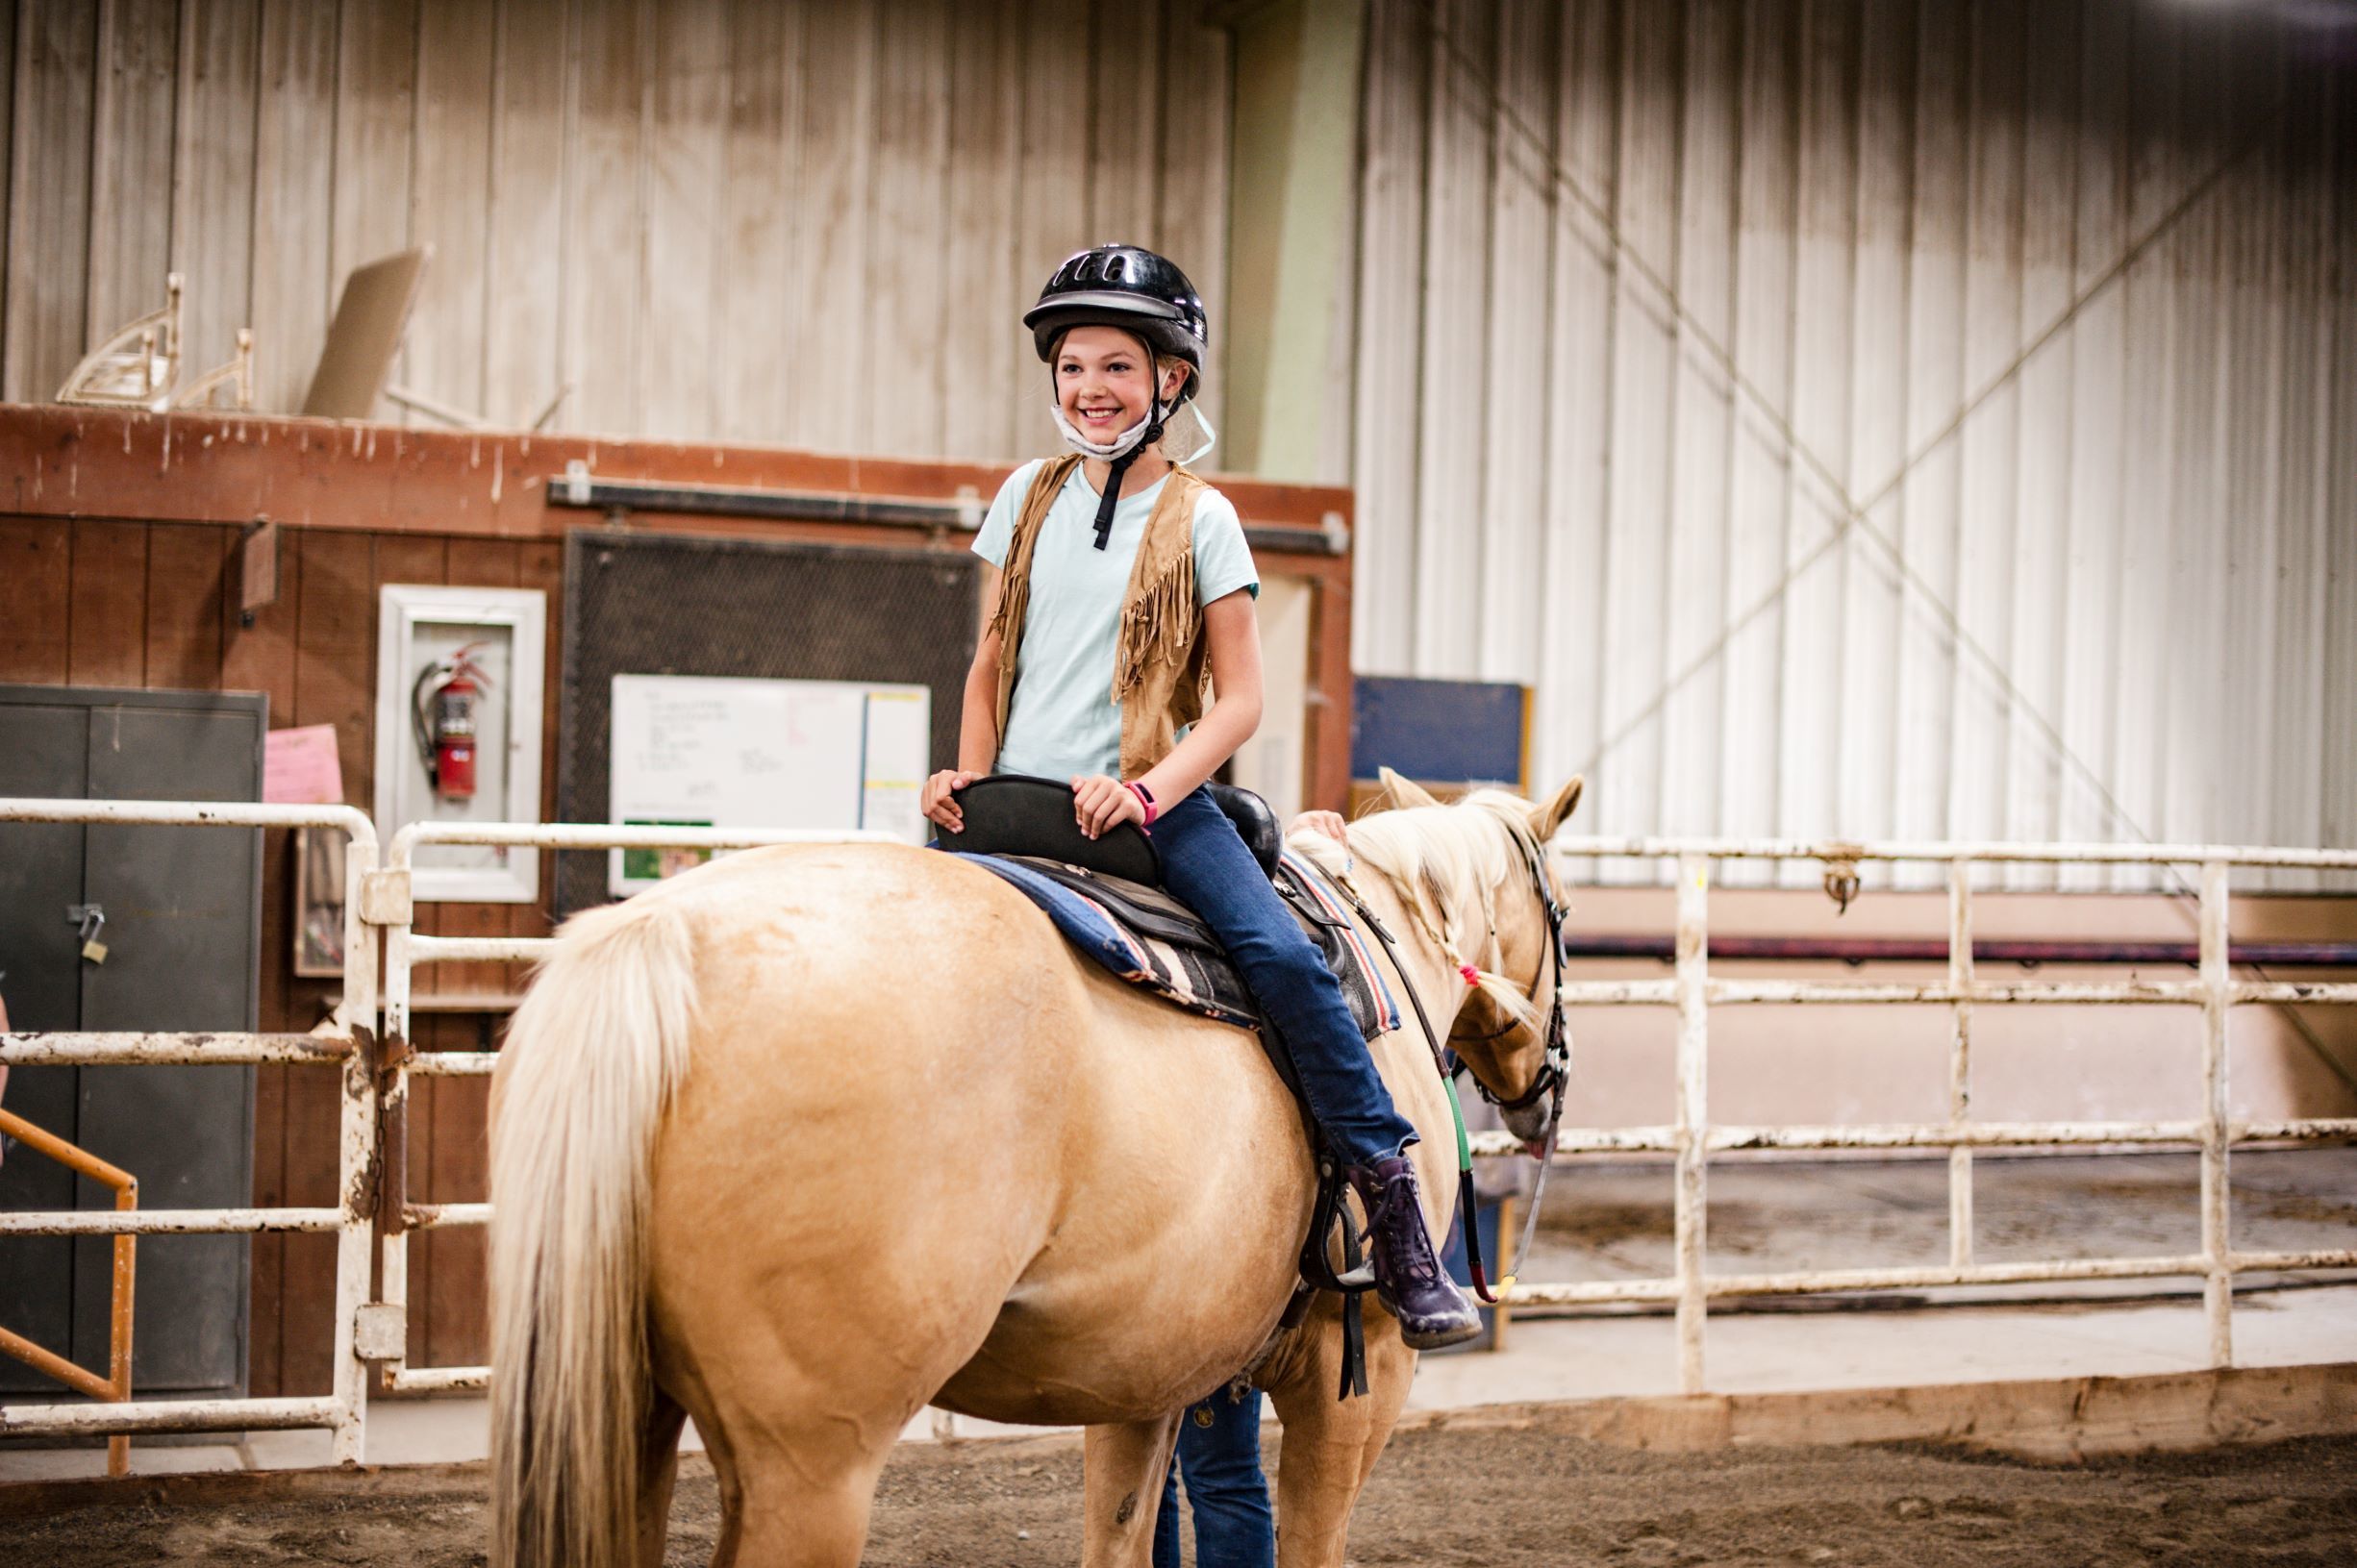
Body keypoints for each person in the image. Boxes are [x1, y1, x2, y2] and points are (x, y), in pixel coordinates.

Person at [920, 242, 1481, 1361]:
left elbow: (1241, 704)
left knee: (1282, 958)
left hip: (1149, 799)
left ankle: (1398, 1207)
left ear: (1171, 381)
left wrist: (1146, 787)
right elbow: (991, 658)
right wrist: (964, 773)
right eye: (1073, 364)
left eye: (1118, 366)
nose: (1090, 387)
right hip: (1015, 800)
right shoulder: (1023, 499)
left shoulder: (1203, 517)